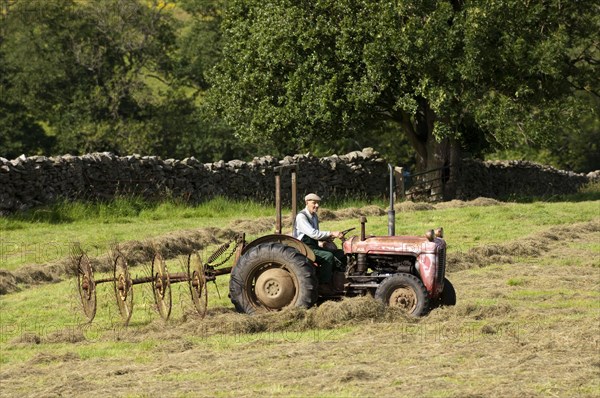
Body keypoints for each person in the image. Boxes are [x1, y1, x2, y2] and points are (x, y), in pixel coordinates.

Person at [293, 193, 347, 295]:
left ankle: (338, 280)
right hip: (305, 247)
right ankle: (323, 285)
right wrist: (331, 233)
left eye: (318, 203)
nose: (317, 205)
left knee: (340, 253)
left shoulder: (314, 216)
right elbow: (313, 233)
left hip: (313, 245)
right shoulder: (301, 217)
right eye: (314, 203)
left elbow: (316, 235)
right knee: (328, 256)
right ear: (306, 203)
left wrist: (324, 241)